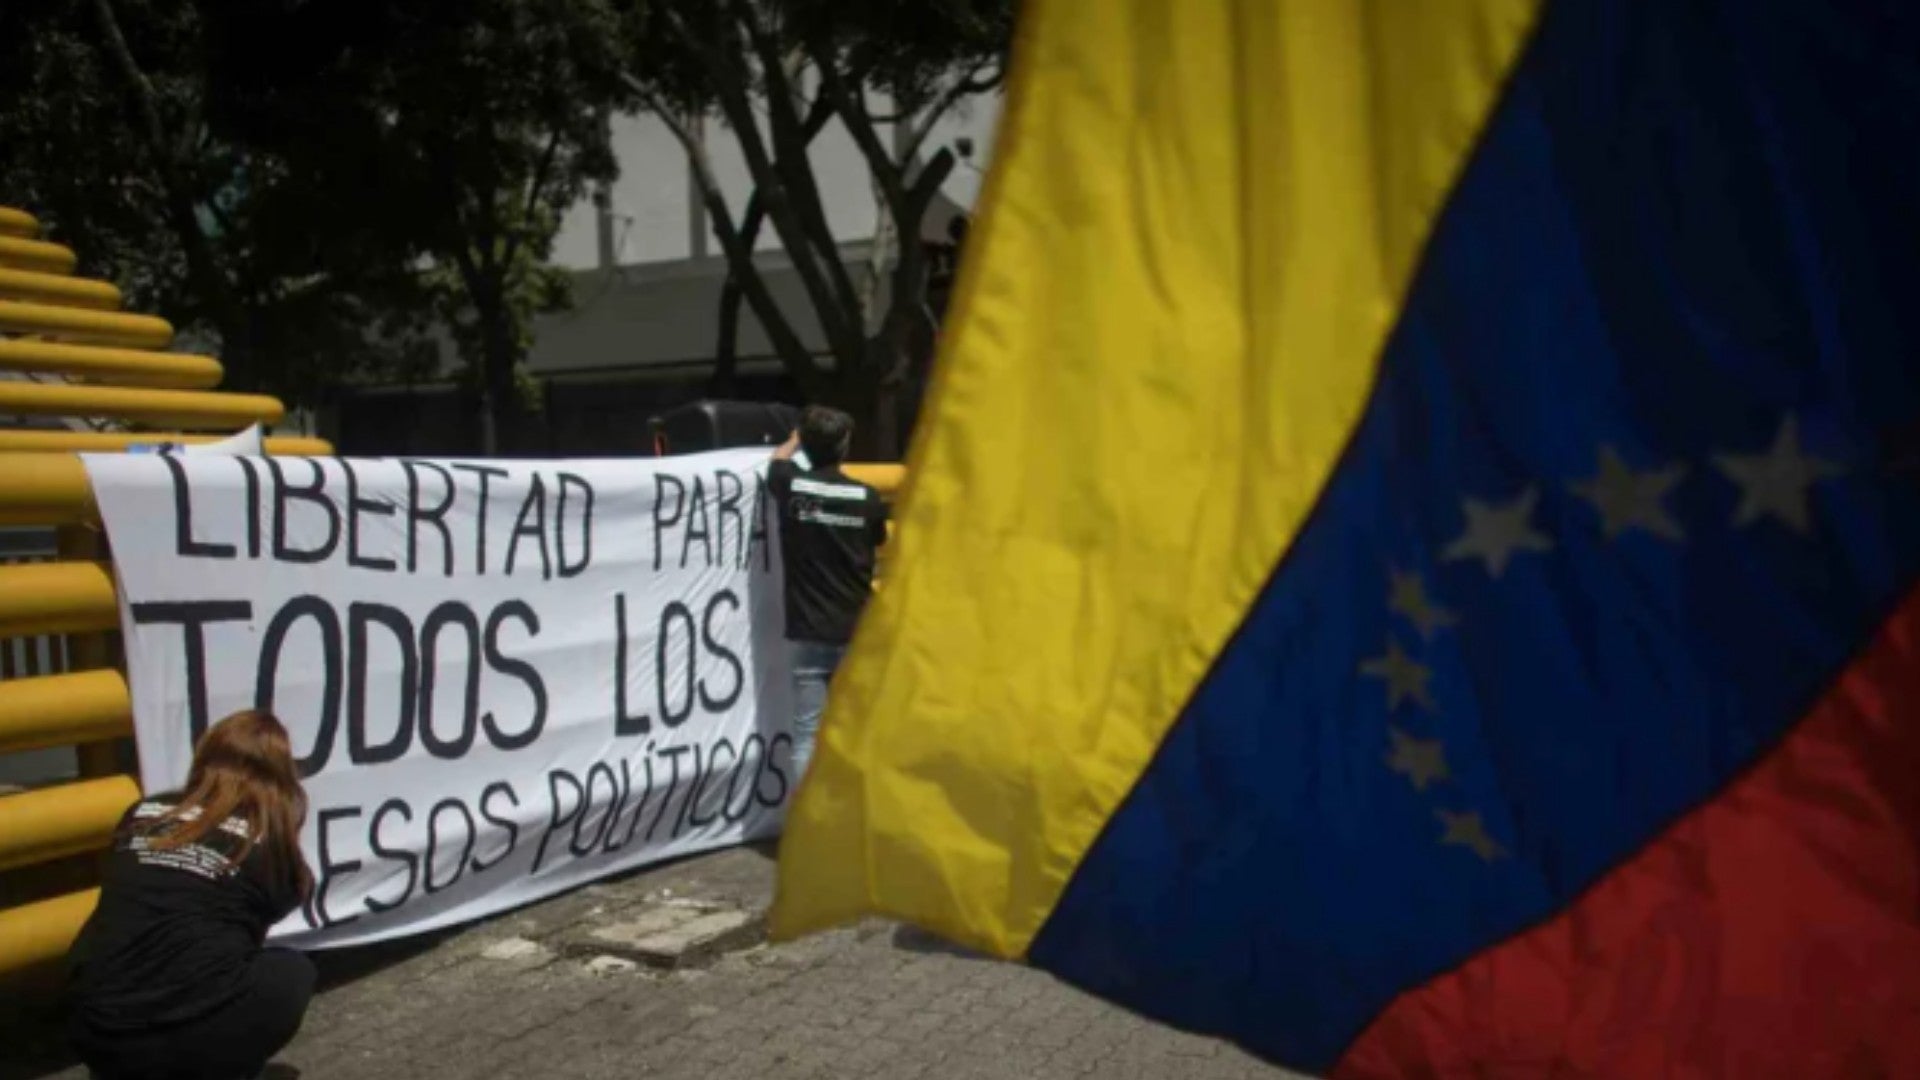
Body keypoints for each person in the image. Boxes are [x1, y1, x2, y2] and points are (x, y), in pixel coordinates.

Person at [67, 710, 316, 1080]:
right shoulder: (268, 843)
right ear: (278, 776)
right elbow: (280, 906)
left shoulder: (142, 811)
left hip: (95, 1029)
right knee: (293, 971)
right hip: (189, 1046)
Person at [768, 406, 890, 781]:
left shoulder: (792, 485)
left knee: (807, 736)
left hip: (809, 629)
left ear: (807, 444)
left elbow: (777, 461)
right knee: (860, 733)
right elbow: (879, 541)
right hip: (857, 628)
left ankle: (808, 827)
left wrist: (794, 439)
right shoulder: (867, 498)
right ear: (845, 446)